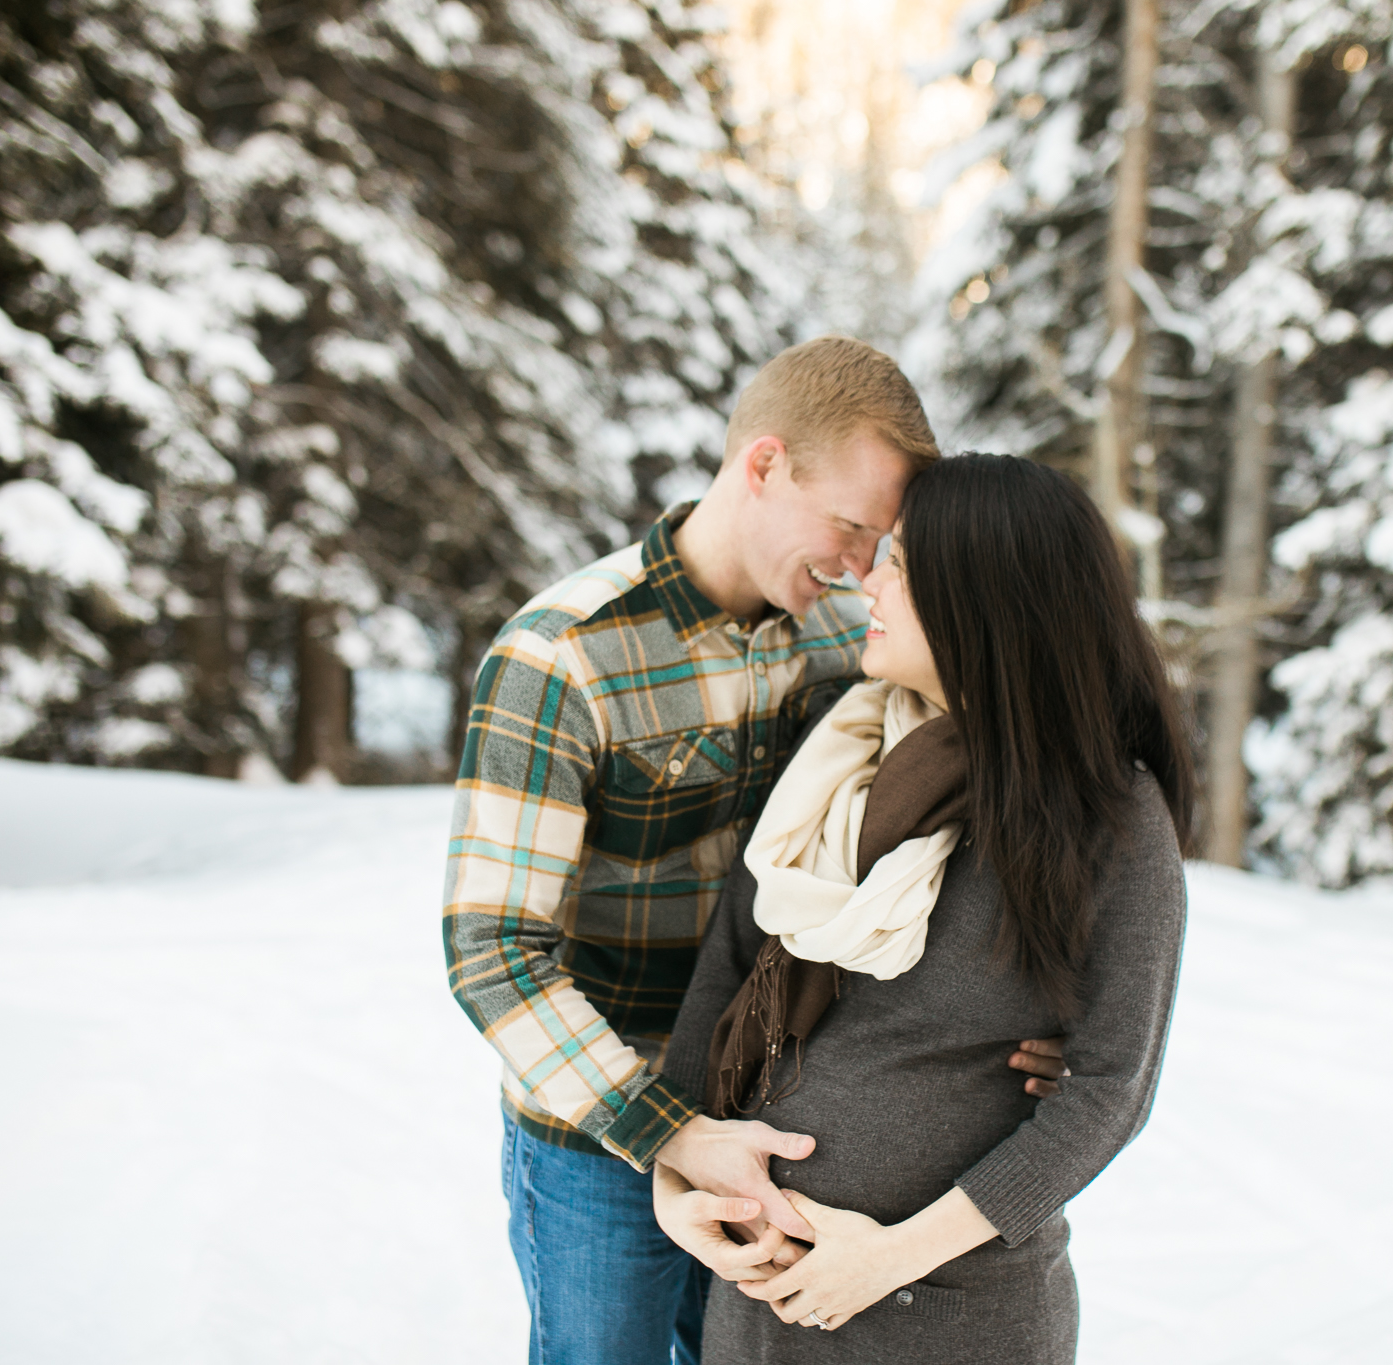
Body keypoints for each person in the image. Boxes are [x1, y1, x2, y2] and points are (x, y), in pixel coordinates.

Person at [442, 339, 1071, 1365]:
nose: (863, 569)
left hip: (787, 1135)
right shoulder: (561, 658)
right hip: (602, 1141)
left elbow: (973, 831)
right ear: (765, 465)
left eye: (885, 544)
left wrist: (1050, 1025)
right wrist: (670, 1134)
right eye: (854, 528)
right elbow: (491, 953)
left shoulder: (848, 649)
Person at [652, 452, 1196, 1364]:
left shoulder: (1104, 811)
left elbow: (1110, 1087)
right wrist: (682, 1180)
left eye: (900, 564)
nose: (867, 578)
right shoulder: (840, 759)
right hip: (762, 1301)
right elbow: (728, 976)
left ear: (983, 596)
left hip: (950, 1315)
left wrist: (889, 1258)